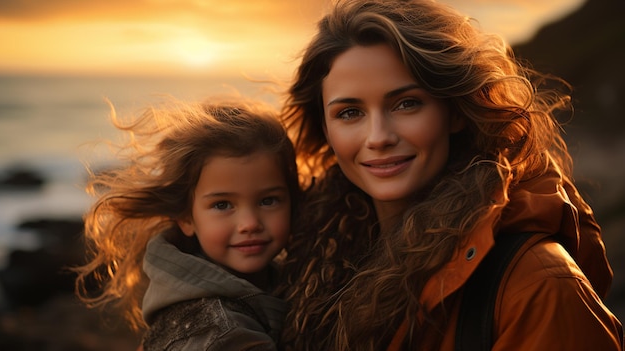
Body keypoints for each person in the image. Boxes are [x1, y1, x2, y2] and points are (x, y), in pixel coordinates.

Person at [276, 0, 624, 350]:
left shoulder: (538, 285)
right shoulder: (304, 267)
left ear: (455, 112)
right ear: (325, 128)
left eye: (406, 103)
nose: (378, 136)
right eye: (350, 112)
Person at [74, 97, 299, 350]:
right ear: (185, 218)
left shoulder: (284, 276)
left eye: (268, 200)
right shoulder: (222, 335)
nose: (249, 224)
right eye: (222, 205)